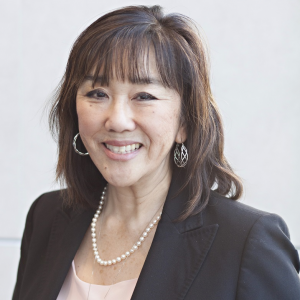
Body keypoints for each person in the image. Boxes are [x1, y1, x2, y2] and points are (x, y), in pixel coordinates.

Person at [13, 5, 300, 300]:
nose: (117, 120)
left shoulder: (247, 242)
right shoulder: (46, 217)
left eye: (144, 96)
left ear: (184, 123)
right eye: (98, 94)